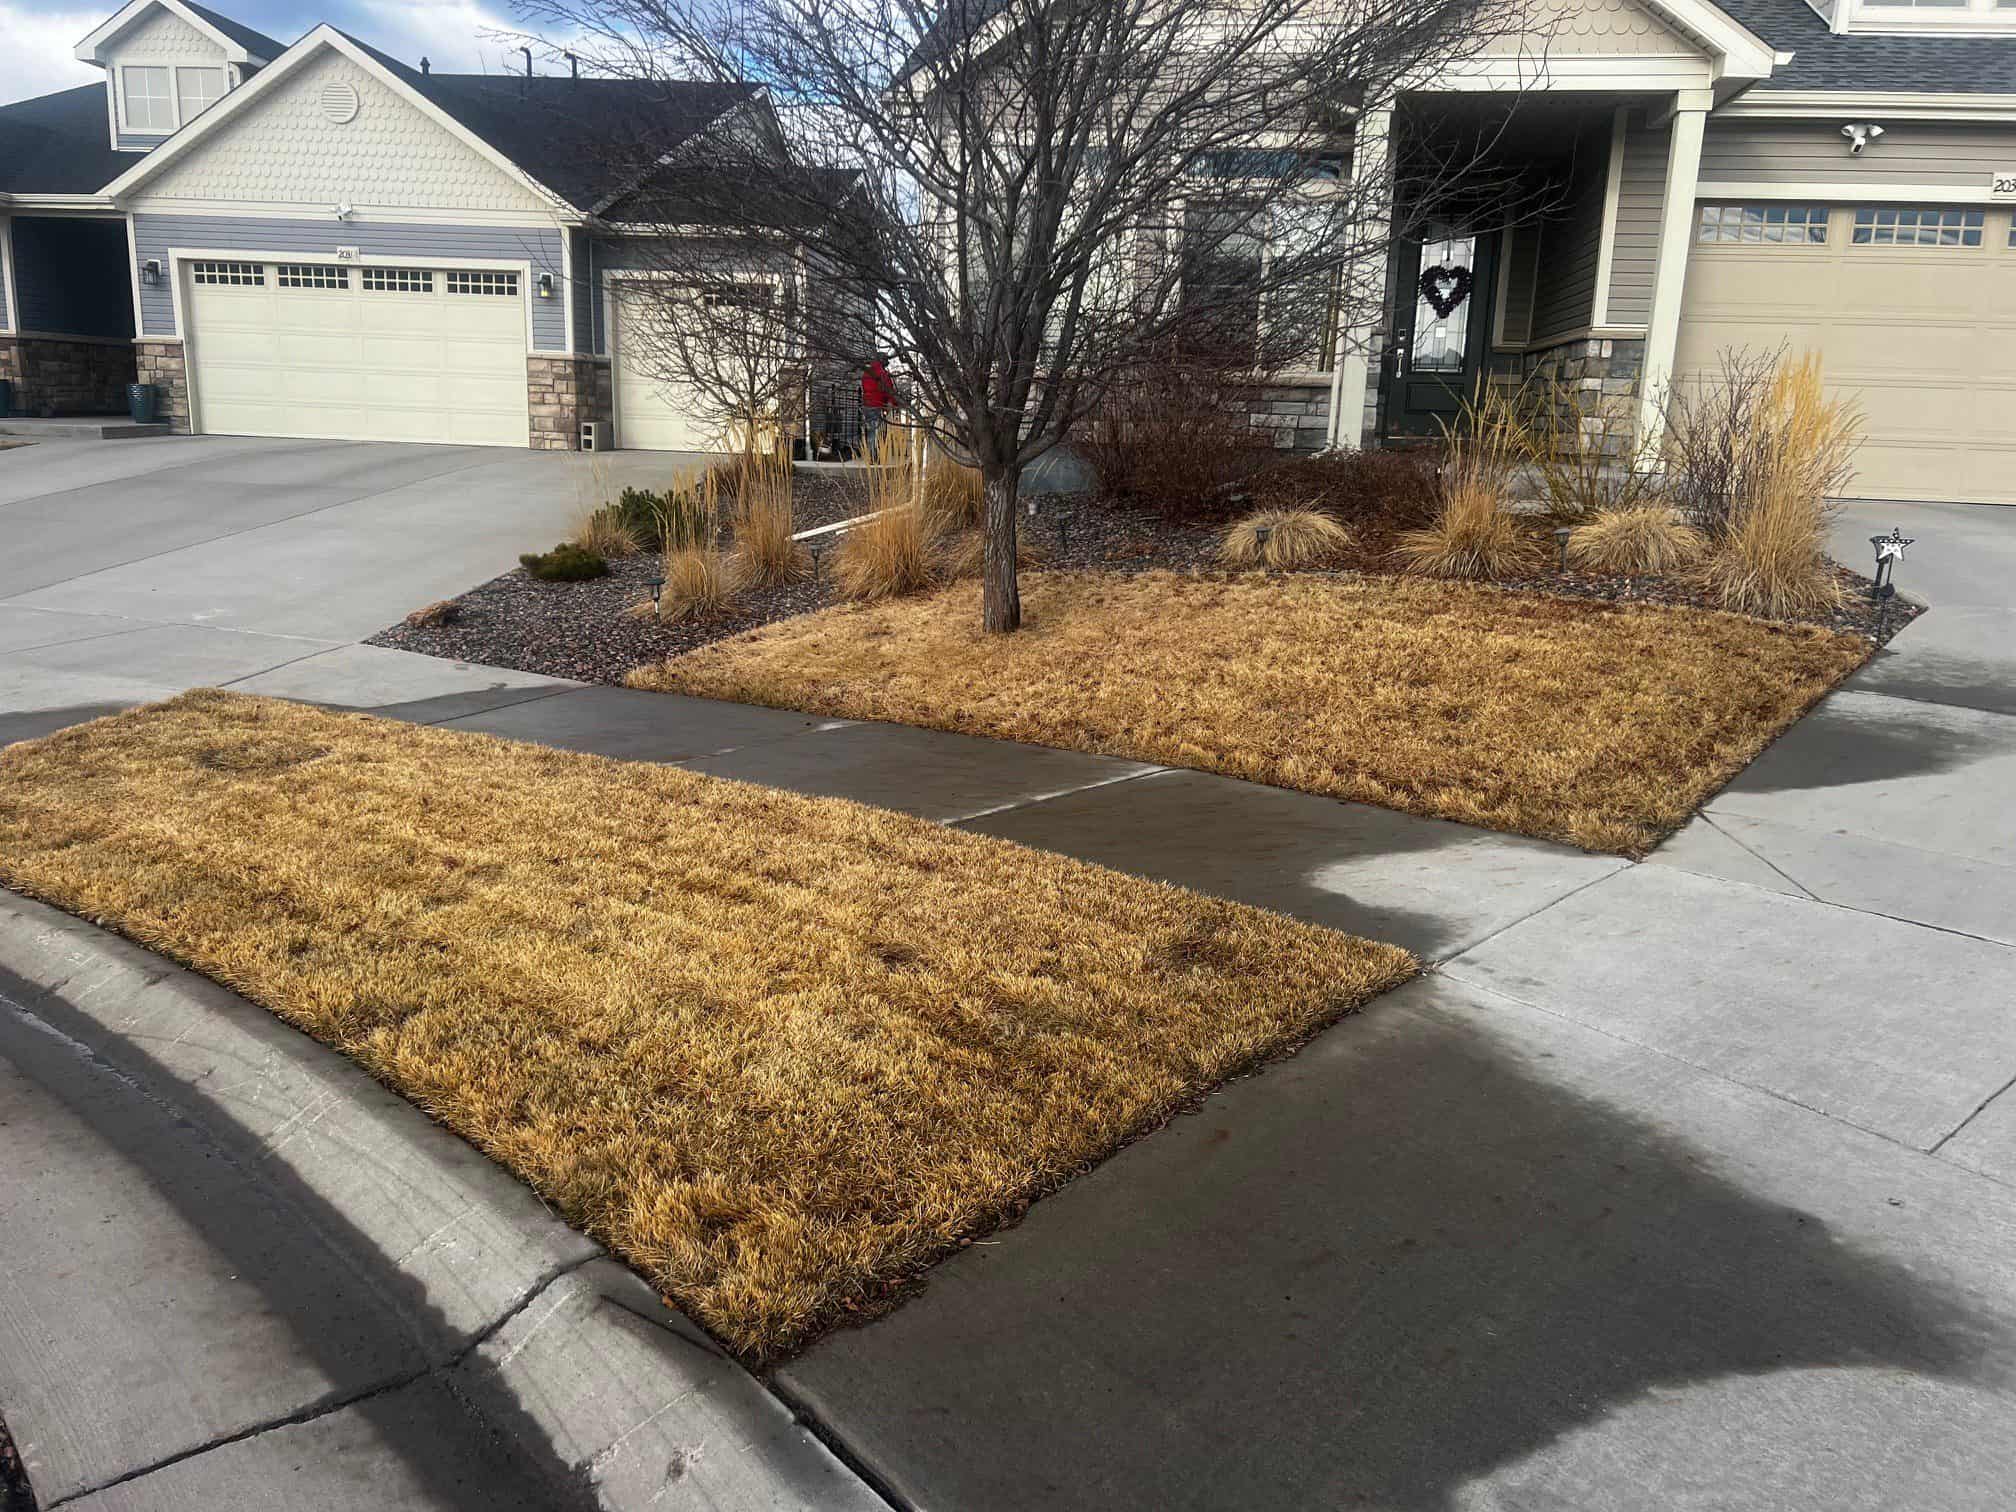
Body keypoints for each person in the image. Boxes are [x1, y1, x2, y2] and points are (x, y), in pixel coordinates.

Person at [859, 355, 896, 452]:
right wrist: (890, 402)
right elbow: (889, 390)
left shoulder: (866, 373)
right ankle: (874, 455)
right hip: (877, 405)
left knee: (871, 431)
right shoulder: (882, 374)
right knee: (876, 432)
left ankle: (871, 454)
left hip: (867, 404)